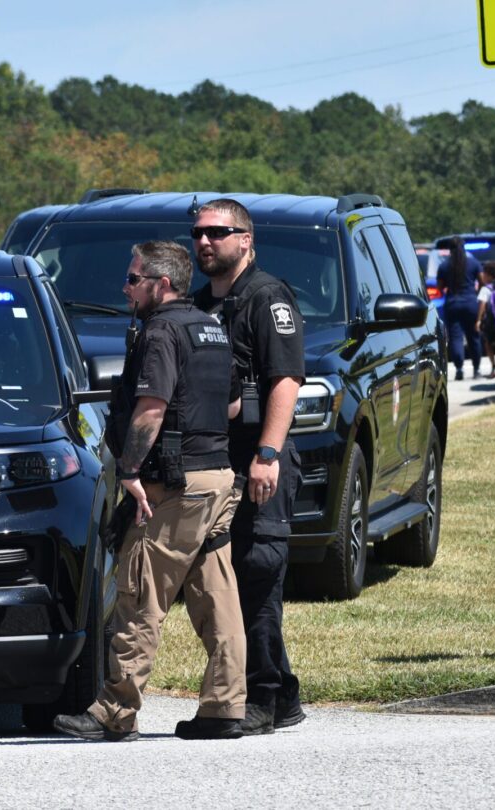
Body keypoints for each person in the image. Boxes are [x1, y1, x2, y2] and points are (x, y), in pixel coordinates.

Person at [53, 240, 247, 742]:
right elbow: (229, 408)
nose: (126, 287)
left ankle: (115, 711)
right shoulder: (211, 327)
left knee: (139, 592)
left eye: (133, 279)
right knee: (216, 595)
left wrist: (132, 471)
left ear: (161, 284)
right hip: (218, 480)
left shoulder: (161, 331)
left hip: (174, 486)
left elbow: (152, 408)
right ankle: (225, 707)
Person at [191, 198, 307, 736]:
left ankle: (262, 695)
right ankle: (279, 691)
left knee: (257, 573)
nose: (205, 241)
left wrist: (268, 453)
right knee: (225, 577)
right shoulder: (200, 305)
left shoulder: (266, 298)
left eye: (218, 232)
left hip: (258, 462)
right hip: (214, 466)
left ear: (246, 240)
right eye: (198, 233)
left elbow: (285, 380)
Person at [440, 247, 483, 380]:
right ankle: (476, 369)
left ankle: (459, 369)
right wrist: (475, 293)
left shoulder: (444, 265)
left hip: (452, 304)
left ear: (450, 250)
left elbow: (439, 286)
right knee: (473, 337)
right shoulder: (474, 263)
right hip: (470, 303)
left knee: (456, 337)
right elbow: (482, 281)